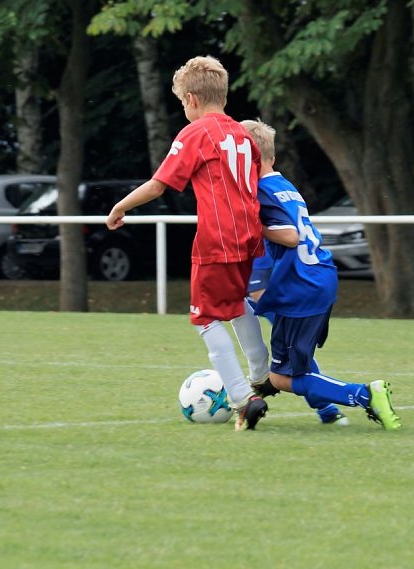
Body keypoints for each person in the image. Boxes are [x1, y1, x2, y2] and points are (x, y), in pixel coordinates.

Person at [106, 55, 271, 431]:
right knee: (234, 302)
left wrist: (119, 206)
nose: (183, 109)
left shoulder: (196, 133)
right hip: (249, 235)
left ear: (193, 99)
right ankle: (260, 370)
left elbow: (158, 185)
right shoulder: (244, 134)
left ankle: (243, 397)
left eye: (182, 102)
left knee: (205, 317)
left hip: (218, 238)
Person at [240, 118, 401, 430]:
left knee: (281, 376)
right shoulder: (284, 186)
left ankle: (365, 395)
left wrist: (248, 225)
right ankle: (327, 411)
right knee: (293, 362)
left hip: (301, 286)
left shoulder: (260, 193)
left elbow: (288, 235)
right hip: (316, 277)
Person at [246, 247, 350, 426]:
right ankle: (243, 392)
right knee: (293, 357)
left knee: (295, 360)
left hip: (282, 290)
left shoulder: (265, 229)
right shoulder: (283, 225)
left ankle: (329, 409)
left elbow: (257, 290)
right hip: (305, 282)